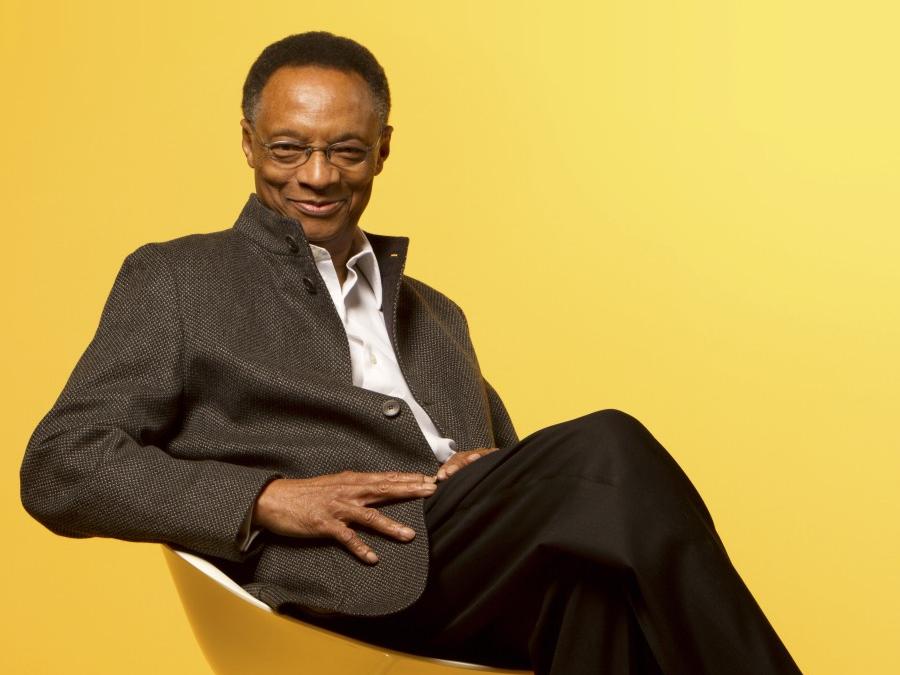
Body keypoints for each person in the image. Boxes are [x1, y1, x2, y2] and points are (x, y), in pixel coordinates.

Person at [20, 31, 801, 675]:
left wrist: (484, 464)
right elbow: (61, 462)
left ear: (384, 150)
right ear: (249, 142)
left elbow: (528, 480)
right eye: (289, 149)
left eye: (346, 153)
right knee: (610, 448)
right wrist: (264, 497)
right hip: (346, 571)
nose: (317, 177)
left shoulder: (439, 315)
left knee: (592, 579)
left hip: (463, 572)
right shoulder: (179, 278)